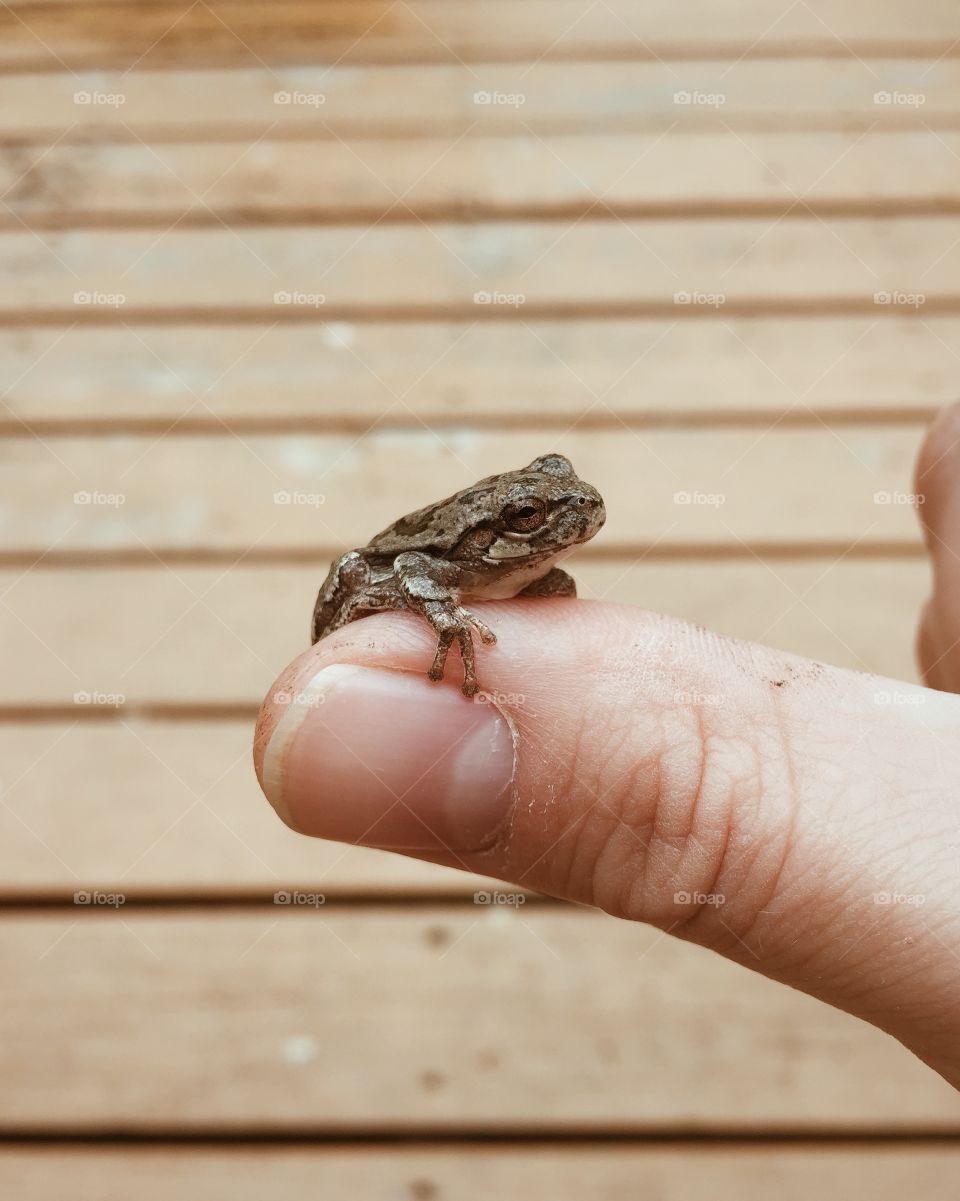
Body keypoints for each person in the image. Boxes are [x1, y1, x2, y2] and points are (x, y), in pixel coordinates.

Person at [254, 402, 960, 1088]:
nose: (571, 512)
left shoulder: (522, 560)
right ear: (490, 534)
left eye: (555, 496)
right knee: (360, 570)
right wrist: (443, 615)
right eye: (530, 518)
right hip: (390, 569)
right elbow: (408, 570)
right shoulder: (443, 562)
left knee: (555, 592)